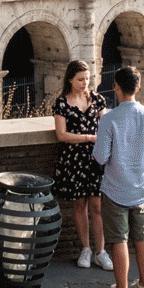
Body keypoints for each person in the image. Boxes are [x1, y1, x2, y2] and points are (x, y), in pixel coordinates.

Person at [91, 65, 144, 288]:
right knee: (142, 237)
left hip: (115, 187)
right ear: (138, 87)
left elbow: (100, 156)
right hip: (141, 187)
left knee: (119, 240)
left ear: (116, 87)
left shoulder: (109, 118)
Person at [51, 59, 112, 273]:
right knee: (80, 205)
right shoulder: (61, 103)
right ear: (70, 79)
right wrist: (88, 138)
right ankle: (85, 248)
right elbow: (61, 135)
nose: (85, 83)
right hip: (74, 159)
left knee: (96, 205)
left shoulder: (97, 99)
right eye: (80, 79)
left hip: (95, 160)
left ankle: (101, 251)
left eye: (87, 79)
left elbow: (107, 127)